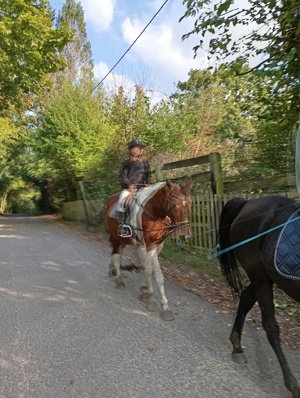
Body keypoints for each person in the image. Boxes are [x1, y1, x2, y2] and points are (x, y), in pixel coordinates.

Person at [116, 138, 151, 237]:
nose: (135, 150)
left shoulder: (145, 163)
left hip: (142, 188)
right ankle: (122, 225)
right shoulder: (126, 163)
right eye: (133, 148)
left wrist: (148, 183)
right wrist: (128, 185)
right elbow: (123, 175)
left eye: (138, 148)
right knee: (121, 200)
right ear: (130, 150)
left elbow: (148, 175)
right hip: (130, 188)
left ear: (141, 150)